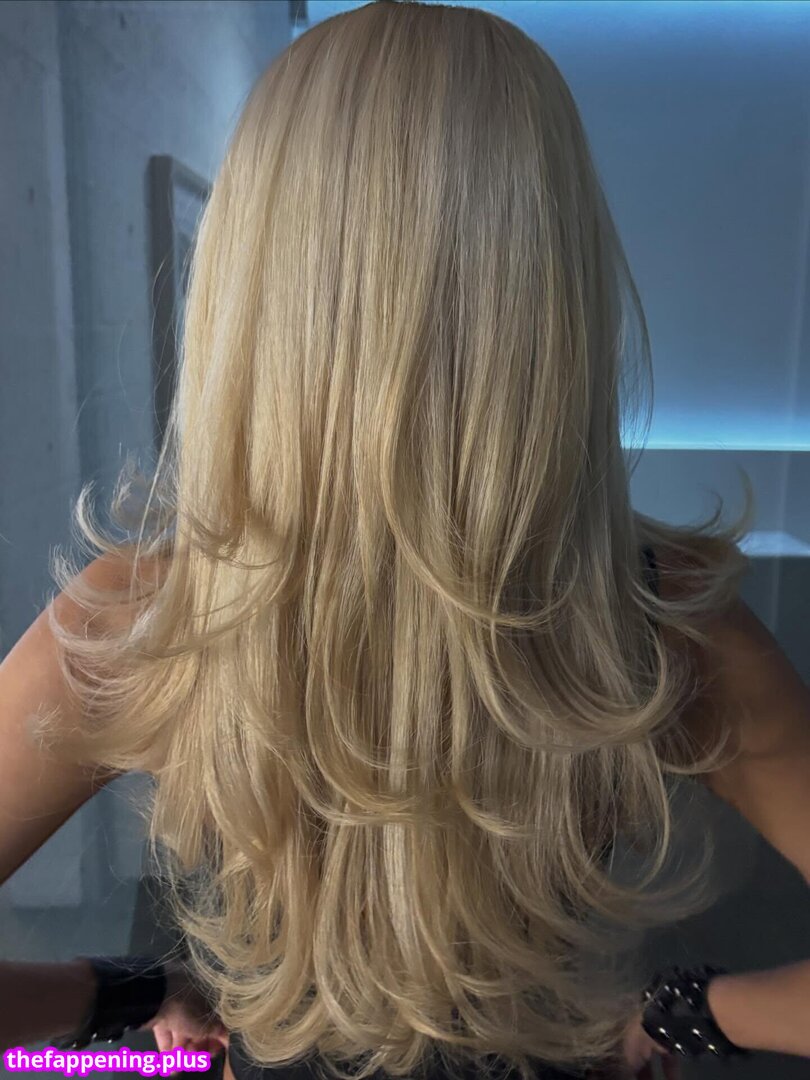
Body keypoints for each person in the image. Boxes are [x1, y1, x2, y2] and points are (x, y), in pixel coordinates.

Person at [1, 1, 809, 1078]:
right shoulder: (665, 623)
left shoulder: (142, 620)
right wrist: (691, 1012)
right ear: (558, 288)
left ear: (252, 278)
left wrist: (119, 992)